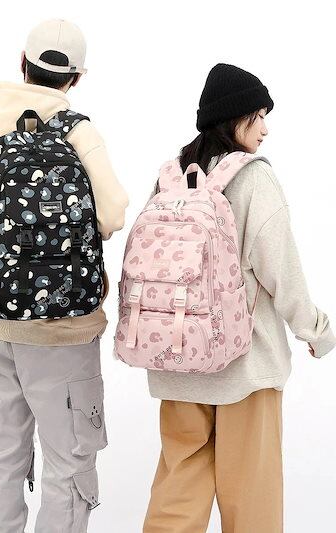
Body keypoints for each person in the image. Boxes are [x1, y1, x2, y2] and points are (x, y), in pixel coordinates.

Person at [0, 18, 128, 533]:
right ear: (77, 77)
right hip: (65, 332)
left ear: (22, 62)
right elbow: (113, 212)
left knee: (3, 459)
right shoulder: (79, 131)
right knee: (68, 465)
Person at [143, 63, 336, 533]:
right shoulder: (253, 179)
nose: (265, 128)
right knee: (251, 493)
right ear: (234, 117)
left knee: (178, 488)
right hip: (243, 367)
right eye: (258, 116)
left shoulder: (172, 177)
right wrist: (316, 330)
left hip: (175, 360)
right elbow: (281, 269)